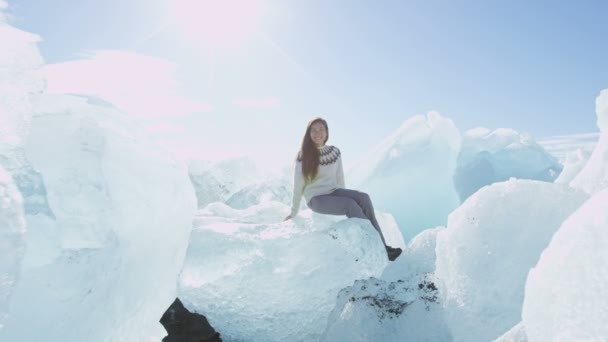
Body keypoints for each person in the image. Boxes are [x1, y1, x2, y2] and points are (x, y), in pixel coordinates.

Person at [283, 117, 402, 261]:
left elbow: (339, 177)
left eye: (321, 129)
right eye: (313, 130)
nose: (317, 133)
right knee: (349, 205)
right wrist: (293, 212)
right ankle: (379, 249)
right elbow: (298, 184)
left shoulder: (335, 152)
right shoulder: (303, 155)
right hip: (315, 199)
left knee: (363, 197)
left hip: (333, 192)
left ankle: (383, 245)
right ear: (308, 134)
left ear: (327, 132)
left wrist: (344, 196)